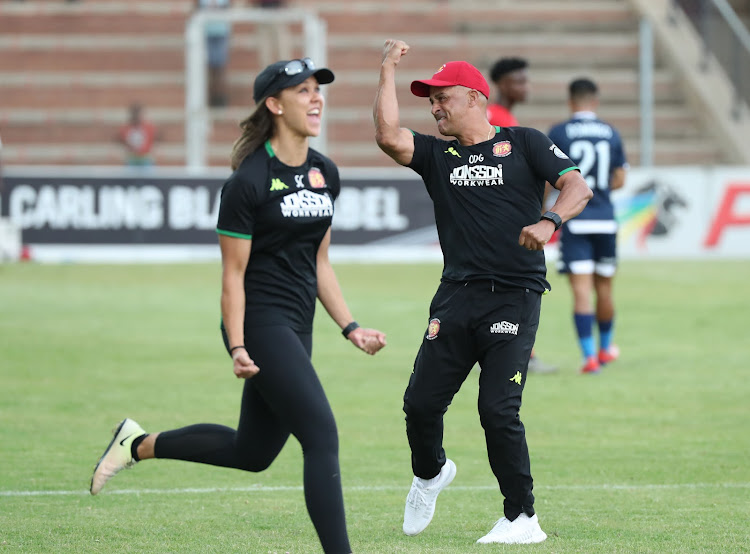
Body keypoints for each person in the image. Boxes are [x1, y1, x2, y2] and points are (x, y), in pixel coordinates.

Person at [91, 57, 387, 554]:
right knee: (321, 437)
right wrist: (237, 343)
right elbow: (232, 275)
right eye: (303, 92)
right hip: (260, 324)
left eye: (319, 90)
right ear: (274, 104)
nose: (316, 99)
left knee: (252, 453)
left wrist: (350, 325)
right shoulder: (248, 182)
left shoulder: (324, 172)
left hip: (298, 325)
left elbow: (320, 261)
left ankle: (137, 444)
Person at [374, 39, 592, 545]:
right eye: (429, 100)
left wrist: (549, 220)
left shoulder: (525, 142)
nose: (434, 107)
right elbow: (388, 135)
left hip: (514, 296)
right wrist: (386, 68)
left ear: (474, 97)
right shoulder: (437, 155)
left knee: (497, 408)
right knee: (420, 405)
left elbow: (577, 187)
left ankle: (522, 518)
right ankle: (430, 474)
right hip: (455, 297)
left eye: (442, 97)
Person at [547, 77, 628, 374]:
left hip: (575, 220)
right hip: (605, 220)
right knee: (604, 289)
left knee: (581, 292)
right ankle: (607, 349)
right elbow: (620, 179)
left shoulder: (559, 132)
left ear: (570, 102)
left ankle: (589, 359)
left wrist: (545, 209)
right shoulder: (611, 132)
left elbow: (547, 177)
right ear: (595, 101)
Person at [196, 0, 232, 107]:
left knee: (220, 68)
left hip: (221, 32)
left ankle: (220, 96)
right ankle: (210, 96)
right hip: (206, 33)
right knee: (209, 67)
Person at [486, 57, 529, 128]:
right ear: (502, 85)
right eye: (520, 82)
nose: (526, 88)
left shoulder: (507, 117)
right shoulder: (493, 118)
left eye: (526, 82)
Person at [116, 102, 159, 167]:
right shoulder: (126, 128)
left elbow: (152, 141)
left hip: (145, 158)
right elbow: (123, 141)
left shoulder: (149, 128)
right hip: (132, 159)